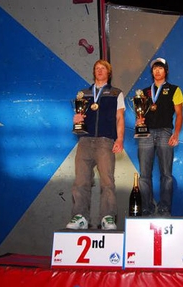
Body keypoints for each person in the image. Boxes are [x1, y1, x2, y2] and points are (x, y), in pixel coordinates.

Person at [66, 59, 125, 230]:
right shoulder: (82, 94)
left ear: (109, 72)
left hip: (105, 141)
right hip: (84, 140)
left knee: (107, 181)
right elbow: (79, 118)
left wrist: (119, 139)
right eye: (97, 68)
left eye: (103, 68)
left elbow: (120, 118)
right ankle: (80, 217)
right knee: (81, 181)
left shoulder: (116, 93)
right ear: (94, 72)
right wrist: (76, 120)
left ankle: (107, 217)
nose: (99, 71)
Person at [136, 57, 183, 216]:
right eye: (155, 68)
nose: (157, 71)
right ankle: (147, 208)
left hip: (165, 132)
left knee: (166, 174)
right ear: (152, 72)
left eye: (161, 68)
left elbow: (179, 114)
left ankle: (164, 207)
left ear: (166, 71)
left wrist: (176, 134)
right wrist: (139, 120)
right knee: (144, 174)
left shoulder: (174, 89)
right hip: (146, 133)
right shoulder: (143, 92)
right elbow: (140, 114)